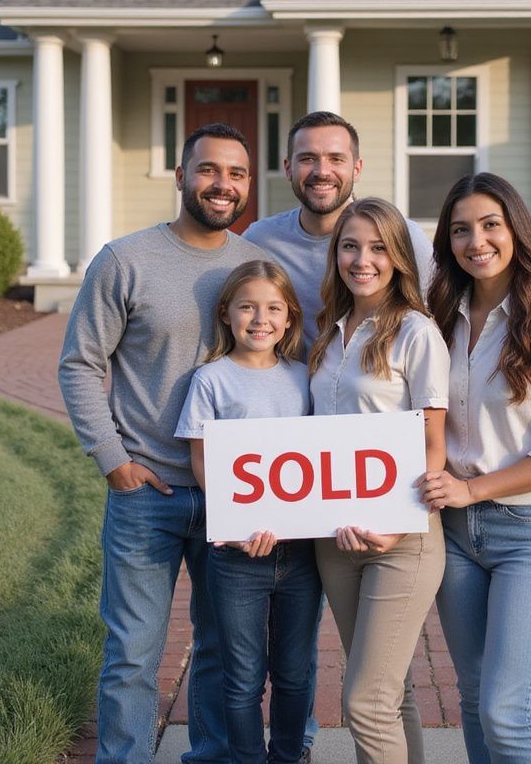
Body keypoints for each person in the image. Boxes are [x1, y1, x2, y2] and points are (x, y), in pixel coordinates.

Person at [59, 123, 263, 764]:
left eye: (235, 173)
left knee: (220, 649)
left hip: (232, 492)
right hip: (147, 490)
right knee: (133, 652)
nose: (222, 184)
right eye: (207, 170)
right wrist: (112, 459)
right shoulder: (125, 260)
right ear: (180, 176)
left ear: (248, 184)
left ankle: (207, 755)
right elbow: (80, 363)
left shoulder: (254, 268)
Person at [419, 173, 531, 764]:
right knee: (473, 700)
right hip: (453, 533)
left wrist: (471, 489)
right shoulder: (436, 321)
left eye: (491, 225)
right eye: (461, 229)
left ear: (516, 231)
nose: (477, 241)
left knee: (506, 709)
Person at [309, 197, 449, 764]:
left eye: (376, 247)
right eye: (349, 245)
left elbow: (433, 446)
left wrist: (393, 527)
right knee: (393, 692)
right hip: (335, 539)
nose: (361, 259)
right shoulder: (328, 332)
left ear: (397, 257)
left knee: (365, 703)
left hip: (401, 541)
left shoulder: (416, 333)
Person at [175, 259, 322, 764]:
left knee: (295, 672)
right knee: (242, 677)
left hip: (302, 554)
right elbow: (202, 462)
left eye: (273, 308)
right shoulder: (211, 380)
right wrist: (235, 527)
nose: (260, 319)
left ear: (289, 318)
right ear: (227, 313)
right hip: (238, 557)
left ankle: (288, 756)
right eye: (248, 307)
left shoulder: (306, 378)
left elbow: (324, 458)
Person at [245, 111, 434, 348]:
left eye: (336, 159)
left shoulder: (403, 236)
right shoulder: (260, 240)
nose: (322, 171)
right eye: (307, 159)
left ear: (357, 168)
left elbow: (437, 322)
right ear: (288, 168)